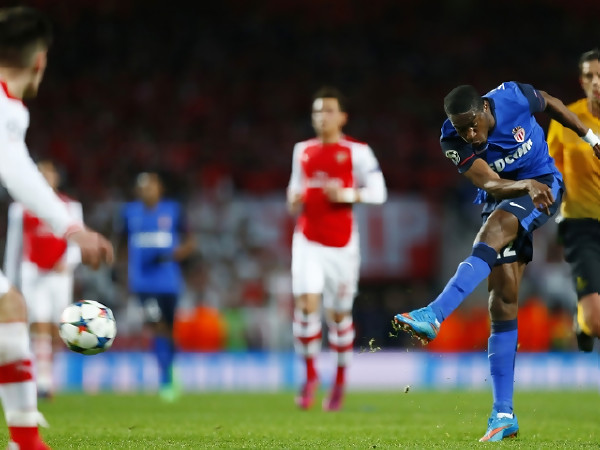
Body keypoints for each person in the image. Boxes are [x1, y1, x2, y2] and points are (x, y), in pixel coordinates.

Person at [392, 81, 600, 441]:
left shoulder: (513, 97)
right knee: (502, 301)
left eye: (473, 125)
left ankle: (435, 313)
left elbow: (551, 103)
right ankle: (503, 414)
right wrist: (522, 186)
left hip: (544, 184)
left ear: (485, 109)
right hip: (506, 194)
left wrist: (590, 138)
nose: (470, 135)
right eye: (462, 129)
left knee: (492, 232)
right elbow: (489, 182)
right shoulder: (452, 140)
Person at [0, 7, 114, 449]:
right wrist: (72, 228)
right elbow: (16, 170)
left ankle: (26, 440)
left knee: (10, 311)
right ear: (40, 60)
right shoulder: (6, 107)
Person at [287, 86, 387, 411]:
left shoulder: (357, 152)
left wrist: (346, 194)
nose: (322, 117)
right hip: (307, 239)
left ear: (343, 117)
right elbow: (294, 190)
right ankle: (310, 377)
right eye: (317, 111)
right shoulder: (302, 150)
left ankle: (340, 381)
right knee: (306, 306)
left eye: (328, 110)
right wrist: (293, 199)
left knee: (338, 315)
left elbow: (379, 192)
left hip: (342, 245)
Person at [4, 160, 83, 399]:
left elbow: (77, 240)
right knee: (38, 321)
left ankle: (48, 372)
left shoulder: (70, 206)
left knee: (58, 328)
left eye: (49, 172)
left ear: (57, 177)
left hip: (59, 274)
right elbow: (14, 246)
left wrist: (68, 262)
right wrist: (9, 281)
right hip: (33, 272)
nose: (45, 176)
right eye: (40, 173)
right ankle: (43, 382)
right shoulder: (20, 208)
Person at [117, 171, 195, 402]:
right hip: (143, 283)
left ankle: (171, 368)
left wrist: (176, 254)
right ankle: (165, 378)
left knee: (169, 329)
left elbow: (190, 240)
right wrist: (122, 273)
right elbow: (121, 244)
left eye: (151, 186)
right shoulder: (129, 213)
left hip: (169, 282)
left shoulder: (173, 210)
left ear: (160, 188)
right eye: (142, 188)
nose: (147, 191)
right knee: (156, 326)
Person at [547, 49, 600, 352]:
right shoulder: (566, 120)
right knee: (596, 323)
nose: (596, 82)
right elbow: (548, 171)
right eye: (590, 76)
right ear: (582, 81)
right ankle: (583, 320)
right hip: (582, 226)